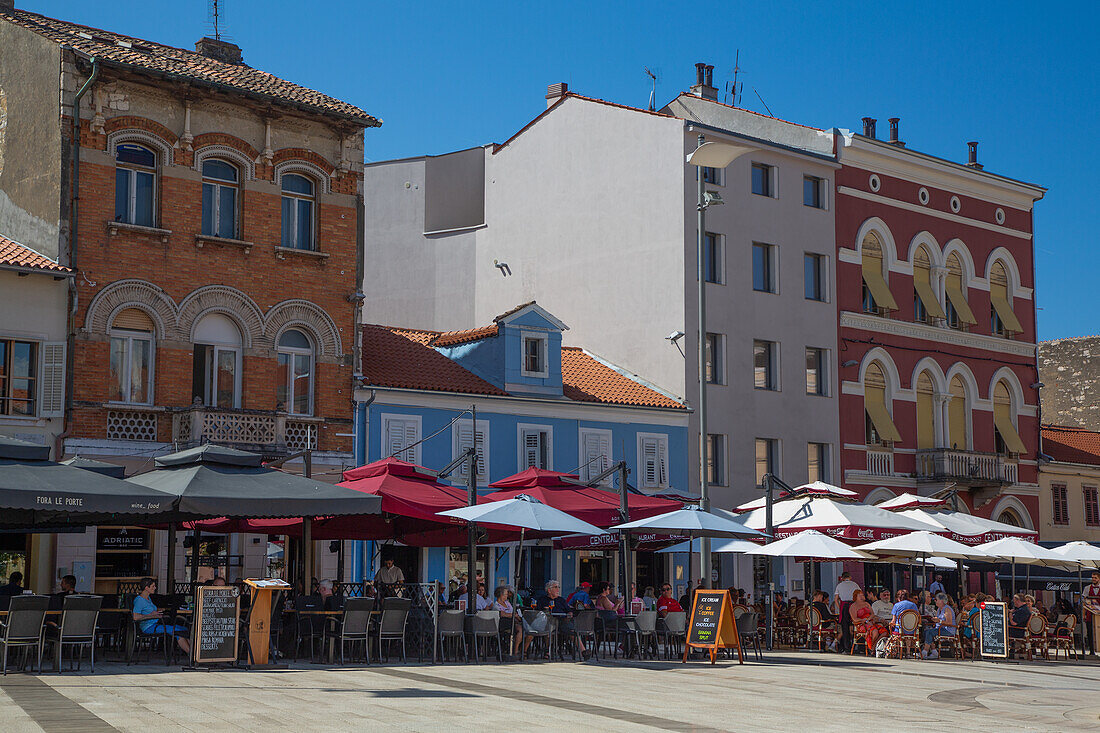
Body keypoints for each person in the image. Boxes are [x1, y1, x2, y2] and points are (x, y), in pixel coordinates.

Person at [132, 577, 190, 656]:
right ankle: (191, 654)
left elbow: (148, 609)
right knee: (178, 631)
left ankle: (194, 654)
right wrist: (151, 615)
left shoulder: (148, 598)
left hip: (156, 623)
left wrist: (158, 611)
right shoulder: (139, 600)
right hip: (149, 627)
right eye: (153, 586)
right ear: (146, 588)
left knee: (184, 629)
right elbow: (135, 617)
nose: (155, 588)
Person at [535, 580, 588, 659]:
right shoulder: (542, 600)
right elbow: (538, 612)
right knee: (548, 630)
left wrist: (569, 614)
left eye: (558, 587)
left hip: (562, 622)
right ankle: (548, 651)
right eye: (555, 587)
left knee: (573, 632)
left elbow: (569, 611)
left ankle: (584, 651)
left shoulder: (561, 600)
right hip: (547, 622)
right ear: (549, 590)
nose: (558, 589)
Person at [920, 592, 956, 659]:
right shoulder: (939, 609)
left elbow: (949, 623)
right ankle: (934, 652)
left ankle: (925, 652)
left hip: (948, 630)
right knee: (926, 632)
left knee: (929, 632)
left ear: (941, 601)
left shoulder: (947, 609)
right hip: (940, 629)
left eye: (936, 599)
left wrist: (939, 621)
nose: (934, 601)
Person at [833, 572, 861, 652]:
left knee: (845, 628)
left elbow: (836, 599)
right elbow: (859, 595)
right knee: (855, 625)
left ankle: (847, 648)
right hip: (853, 605)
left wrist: (840, 608)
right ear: (850, 577)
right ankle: (855, 645)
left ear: (842, 578)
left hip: (844, 606)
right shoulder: (855, 585)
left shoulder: (839, 585)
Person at [493, 586, 523, 657]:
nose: (507, 596)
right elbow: (502, 614)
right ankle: (515, 650)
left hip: (512, 621)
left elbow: (513, 613)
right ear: (501, 595)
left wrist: (515, 616)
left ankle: (520, 648)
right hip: (503, 624)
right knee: (520, 629)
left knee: (523, 628)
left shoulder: (507, 603)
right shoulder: (496, 605)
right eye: (506, 594)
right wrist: (513, 615)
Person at [1084, 571, 1100, 655]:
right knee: (1090, 632)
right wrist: (1084, 614)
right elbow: (1084, 601)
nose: (1093, 579)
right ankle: (1091, 650)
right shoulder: (1087, 588)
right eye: (1092, 578)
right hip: (1090, 614)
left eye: (1095, 578)